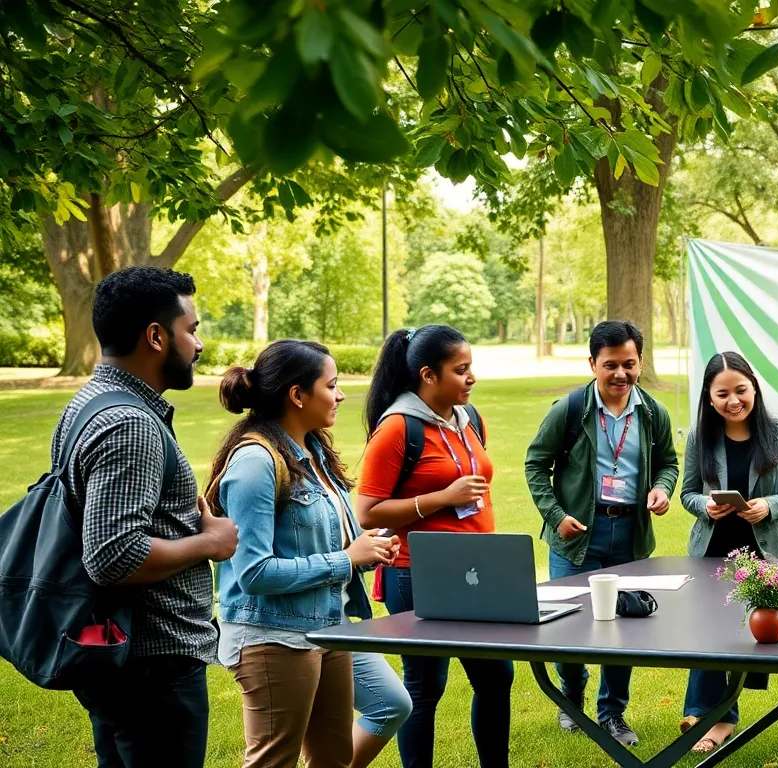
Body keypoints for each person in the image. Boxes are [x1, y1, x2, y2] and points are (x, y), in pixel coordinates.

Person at [54, 266, 237, 768]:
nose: (198, 344)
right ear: (156, 337)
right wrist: (211, 542)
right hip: (152, 664)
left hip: (122, 655)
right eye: (192, 329)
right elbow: (113, 555)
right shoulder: (130, 423)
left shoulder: (88, 404)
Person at [209, 340, 399, 768]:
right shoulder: (255, 463)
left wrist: (368, 545)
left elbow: (328, 537)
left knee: (334, 755)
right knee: (274, 760)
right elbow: (253, 573)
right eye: (331, 385)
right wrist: (346, 559)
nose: (341, 394)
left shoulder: (315, 453)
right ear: (297, 395)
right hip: (271, 635)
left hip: (328, 625)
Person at [354, 325, 513, 768]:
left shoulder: (471, 419)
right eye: (460, 370)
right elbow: (367, 511)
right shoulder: (398, 428)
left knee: (496, 676)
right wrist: (442, 499)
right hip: (415, 572)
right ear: (428, 375)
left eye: (470, 369)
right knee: (424, 687)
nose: (471, 378)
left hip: (476, 571)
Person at [524, 320, 680, 747]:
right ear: (592, 363)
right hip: (576, 537)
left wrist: (662, 489)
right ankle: (571, 695)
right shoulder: (570, 410)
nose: (620, 374)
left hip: (630, 534)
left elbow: (669, 462)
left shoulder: (652, 413)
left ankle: (612, 713)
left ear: (640, 362)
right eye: (610, 365)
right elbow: (535, 465)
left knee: (623, 629)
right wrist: (556, 515)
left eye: (629, 364)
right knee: (568, 626)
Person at [678, 351, 778, 753]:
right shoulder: (699, 437)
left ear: (754, 386)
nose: (733, 400)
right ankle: (712, 717)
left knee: (748, 639)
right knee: (708, 633)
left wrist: (771, 506)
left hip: (768, 553)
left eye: (741, 390)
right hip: (713, 550)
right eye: (722, 393)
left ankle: (721, 712)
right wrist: (704, 506)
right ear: (709, 397)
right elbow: (687, 492)